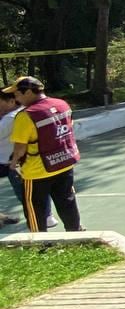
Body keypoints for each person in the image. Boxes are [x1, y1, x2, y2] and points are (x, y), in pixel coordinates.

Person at [9, 77, 83, 232]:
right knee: (67, 202)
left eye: (17, 94)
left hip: (37, 171)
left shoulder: (26, 115)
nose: (15, 98)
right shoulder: (62, 104)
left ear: (28, 92)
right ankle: (76, 233)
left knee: (35, 208)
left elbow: (20, 148)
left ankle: (39, 240)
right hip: (64, 163)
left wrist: (13, 163)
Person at [0, 86, 26, 225]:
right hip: (11, 159)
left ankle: (37, 218)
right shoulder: (20, 112)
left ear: (11, 101)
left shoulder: (11, 117)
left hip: (10, 161)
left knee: (23, 192)